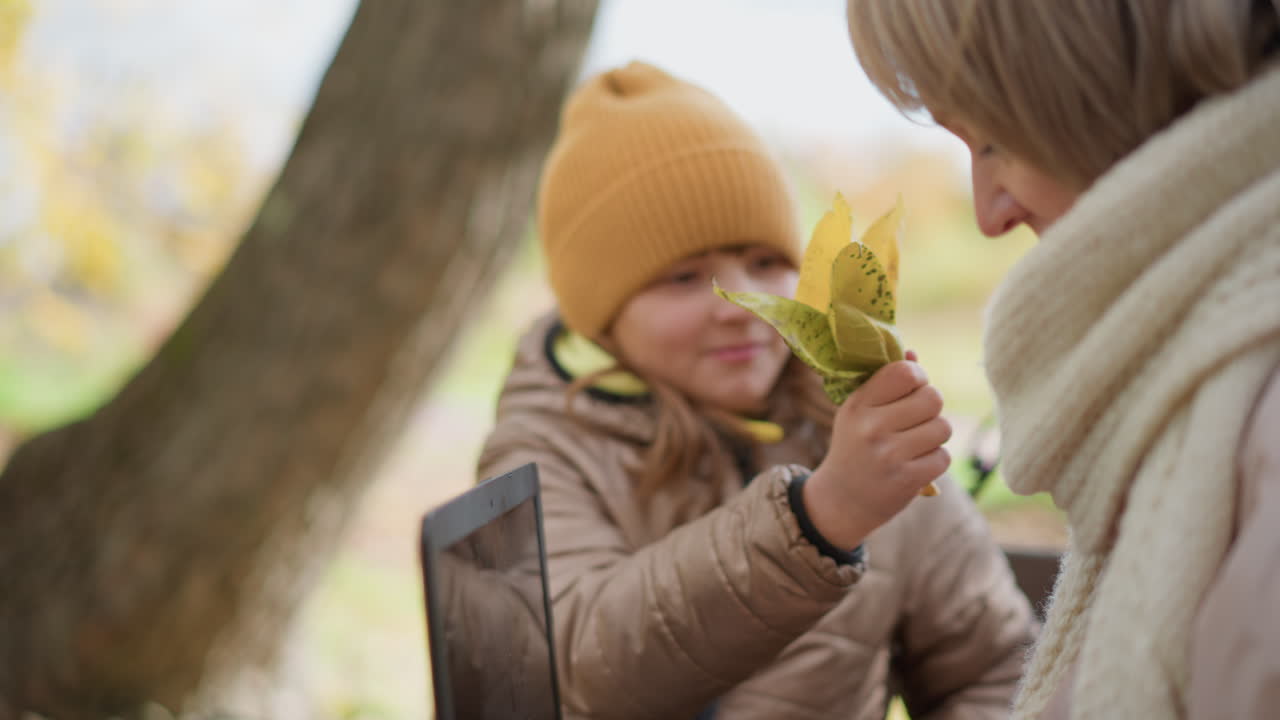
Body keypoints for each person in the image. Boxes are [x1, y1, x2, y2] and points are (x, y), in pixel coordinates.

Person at [475, 60, 1035, 720]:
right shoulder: (546, 448)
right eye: (685, 278)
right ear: (602, 317)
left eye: (766, 263)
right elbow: (572, 672)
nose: (741, 302)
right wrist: (821, 517)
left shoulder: (856, 424)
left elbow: (995, 668)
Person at [844, 2, 1280, 718]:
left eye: (993, 142)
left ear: (1096, 82)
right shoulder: (1188, 384)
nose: (988, 217)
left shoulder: (1252, 414)